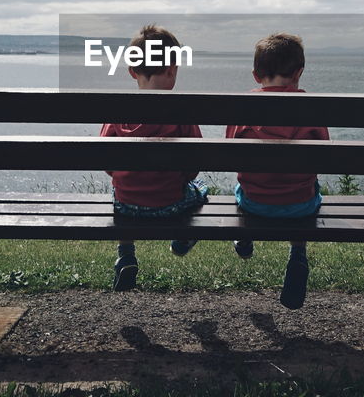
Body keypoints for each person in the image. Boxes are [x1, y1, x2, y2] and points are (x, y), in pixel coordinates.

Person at [225, 32, 328, 309]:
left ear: (256, 75)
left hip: (254, 202)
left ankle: (245, 234)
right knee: (307, 186)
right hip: (301, 206)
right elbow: (324, 156)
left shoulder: (244, 106)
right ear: (299, 73)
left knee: (241, 188)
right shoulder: (311, 108)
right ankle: (298, 252)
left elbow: (229, 153)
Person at [101, 24, 206, 292]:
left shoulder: (118, 110)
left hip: (126, 206)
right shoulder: (182, 112)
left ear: (132, 71)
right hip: (171, 204)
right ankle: (182, 238)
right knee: (200, 191)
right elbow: (194, 168)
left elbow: (106, 163)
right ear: (172, 70)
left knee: (119, 191)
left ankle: (126, 253)